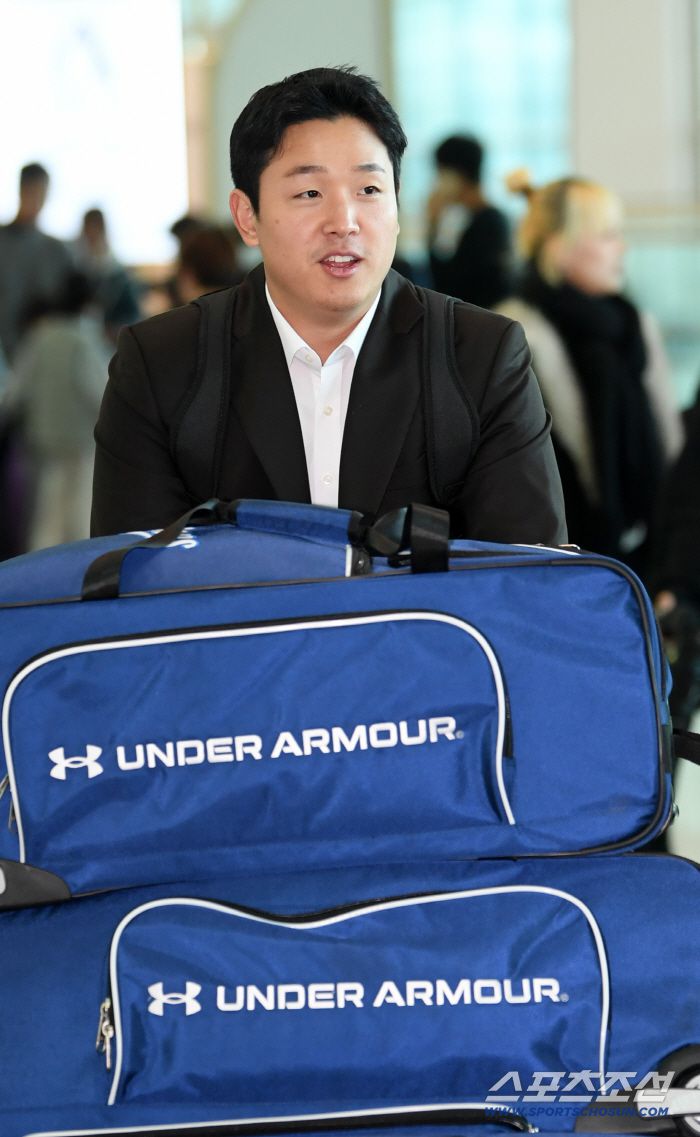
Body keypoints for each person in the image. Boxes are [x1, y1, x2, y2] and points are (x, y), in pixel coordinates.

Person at [91, 66, 566, 543]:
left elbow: (530, 572)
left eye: (369, 190)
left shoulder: (481, 356)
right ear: (247, 216)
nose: (344, 222)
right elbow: (135, 575)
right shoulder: (162, 363)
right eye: (310, 193)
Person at [497, 174, 682, 572]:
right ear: (559, 247)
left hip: (653, 547)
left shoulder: (632, 324)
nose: (622, 247)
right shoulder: (516, 334)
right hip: (563, 558)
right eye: (606, 235)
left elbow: (668, 436)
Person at [10, 271, 109, 550]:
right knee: (80, 513)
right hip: (82, 438)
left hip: (46, 438)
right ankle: (75, 569)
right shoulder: (84, 338)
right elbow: (99, 389)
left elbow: (18, 388)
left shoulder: (40, 335)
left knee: (47, 514)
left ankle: (40, 570)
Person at [426, 135, 512, 309]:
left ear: (455, 175)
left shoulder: (490, 221)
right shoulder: (458, 218)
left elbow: (454, 284)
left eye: (441, 173)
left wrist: (433, 223)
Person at [0, 162, 72, 360]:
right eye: (32, 192)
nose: (37, 200)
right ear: (21, 190)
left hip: (40, 356)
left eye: (41, 194)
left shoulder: (56, 251)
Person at [71, 207, 141, 341]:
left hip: (109, 335)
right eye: (88, 230)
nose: (91, 235)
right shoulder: (77, 267)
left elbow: (130, 314)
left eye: (95, 228)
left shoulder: (117, 273)